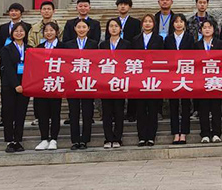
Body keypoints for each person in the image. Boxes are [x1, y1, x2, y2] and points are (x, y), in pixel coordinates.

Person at [63, 19, 99, 149]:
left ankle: (84, 139)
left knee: (87, 112)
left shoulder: (94, 44)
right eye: (79, 27)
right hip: (72, 83)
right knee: (73, 112)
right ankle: (75, 140)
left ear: (88, 29)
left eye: (84, 27)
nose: (81, 29)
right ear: (75, 29)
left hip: (88, 82)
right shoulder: (68, 45)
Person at [0, 3, 30, 127]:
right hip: (6, 65)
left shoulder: (28, 26)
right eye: (11, 10)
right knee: (6, 93)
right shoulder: (3, 27)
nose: (13, 13)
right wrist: (6, 57)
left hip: (23, 66)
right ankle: (4, 118)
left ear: (21, 12)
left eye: (16, 10)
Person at [132, 14, 164, 146]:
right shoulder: (135, 39)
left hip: (153, 77)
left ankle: (151, 136)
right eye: (145, 21)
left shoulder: (159, 39)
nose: (147, 23)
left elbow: (162, 57)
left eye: (150, 21)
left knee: (152, 108)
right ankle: (141, 136)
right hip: (139, 78)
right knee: (140, 109)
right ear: (142, 24)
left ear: (154, 24)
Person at [99, 19, 131, 148]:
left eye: (116, 26)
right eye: (111, 26)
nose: (113, 28)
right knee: (106, 112)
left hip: (120, 82)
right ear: (107, 29)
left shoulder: (126, 44)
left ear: (120, 28)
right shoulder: (103, 45)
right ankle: (108, 138)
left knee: (119, 111)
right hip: (106, 83)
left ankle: (117, 138)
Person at [166, 13, 195, 144]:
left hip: (186, 75)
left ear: (184, 24)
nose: (179, 24)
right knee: (173, 105)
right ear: (173, 24)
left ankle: (183, 133)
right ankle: (175, 133)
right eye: (176, 22)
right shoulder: (168, 39)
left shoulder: (189, 38)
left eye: (181, 21)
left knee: (185, 104)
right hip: (172, 75)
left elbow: (193, 56)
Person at [1, 23, 30, 152]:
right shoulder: (6, 49)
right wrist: (16, 84)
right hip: (9, 85)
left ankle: (18, 140)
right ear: (12, 33)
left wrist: (25, 84)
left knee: (20, 113)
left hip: (25, 86)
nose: (19, 33)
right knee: (8, 113)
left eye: (21, 31)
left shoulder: (29, 49)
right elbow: (7, 68)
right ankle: (9, 141)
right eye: (16, 31)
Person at [33, 22, 62, 150]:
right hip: (42, 85)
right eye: (46, 31)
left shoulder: (63, 47)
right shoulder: (39, 48)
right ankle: (44, 138)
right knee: (42, 113)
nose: (49, 33)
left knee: (55, 113)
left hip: (57, 84)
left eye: (51, 30)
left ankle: (54, 139)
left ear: (57, 32)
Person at [194, 19, 222, 143]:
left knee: (216, 108)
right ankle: (205, 134)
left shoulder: (219, 43)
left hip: (216, 80)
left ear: (213, 29)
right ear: (201, 30)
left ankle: (216, 133)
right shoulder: (197, 45)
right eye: (204, 27)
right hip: (202, 81)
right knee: (203, 108)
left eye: (209, 27)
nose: (207, 29)